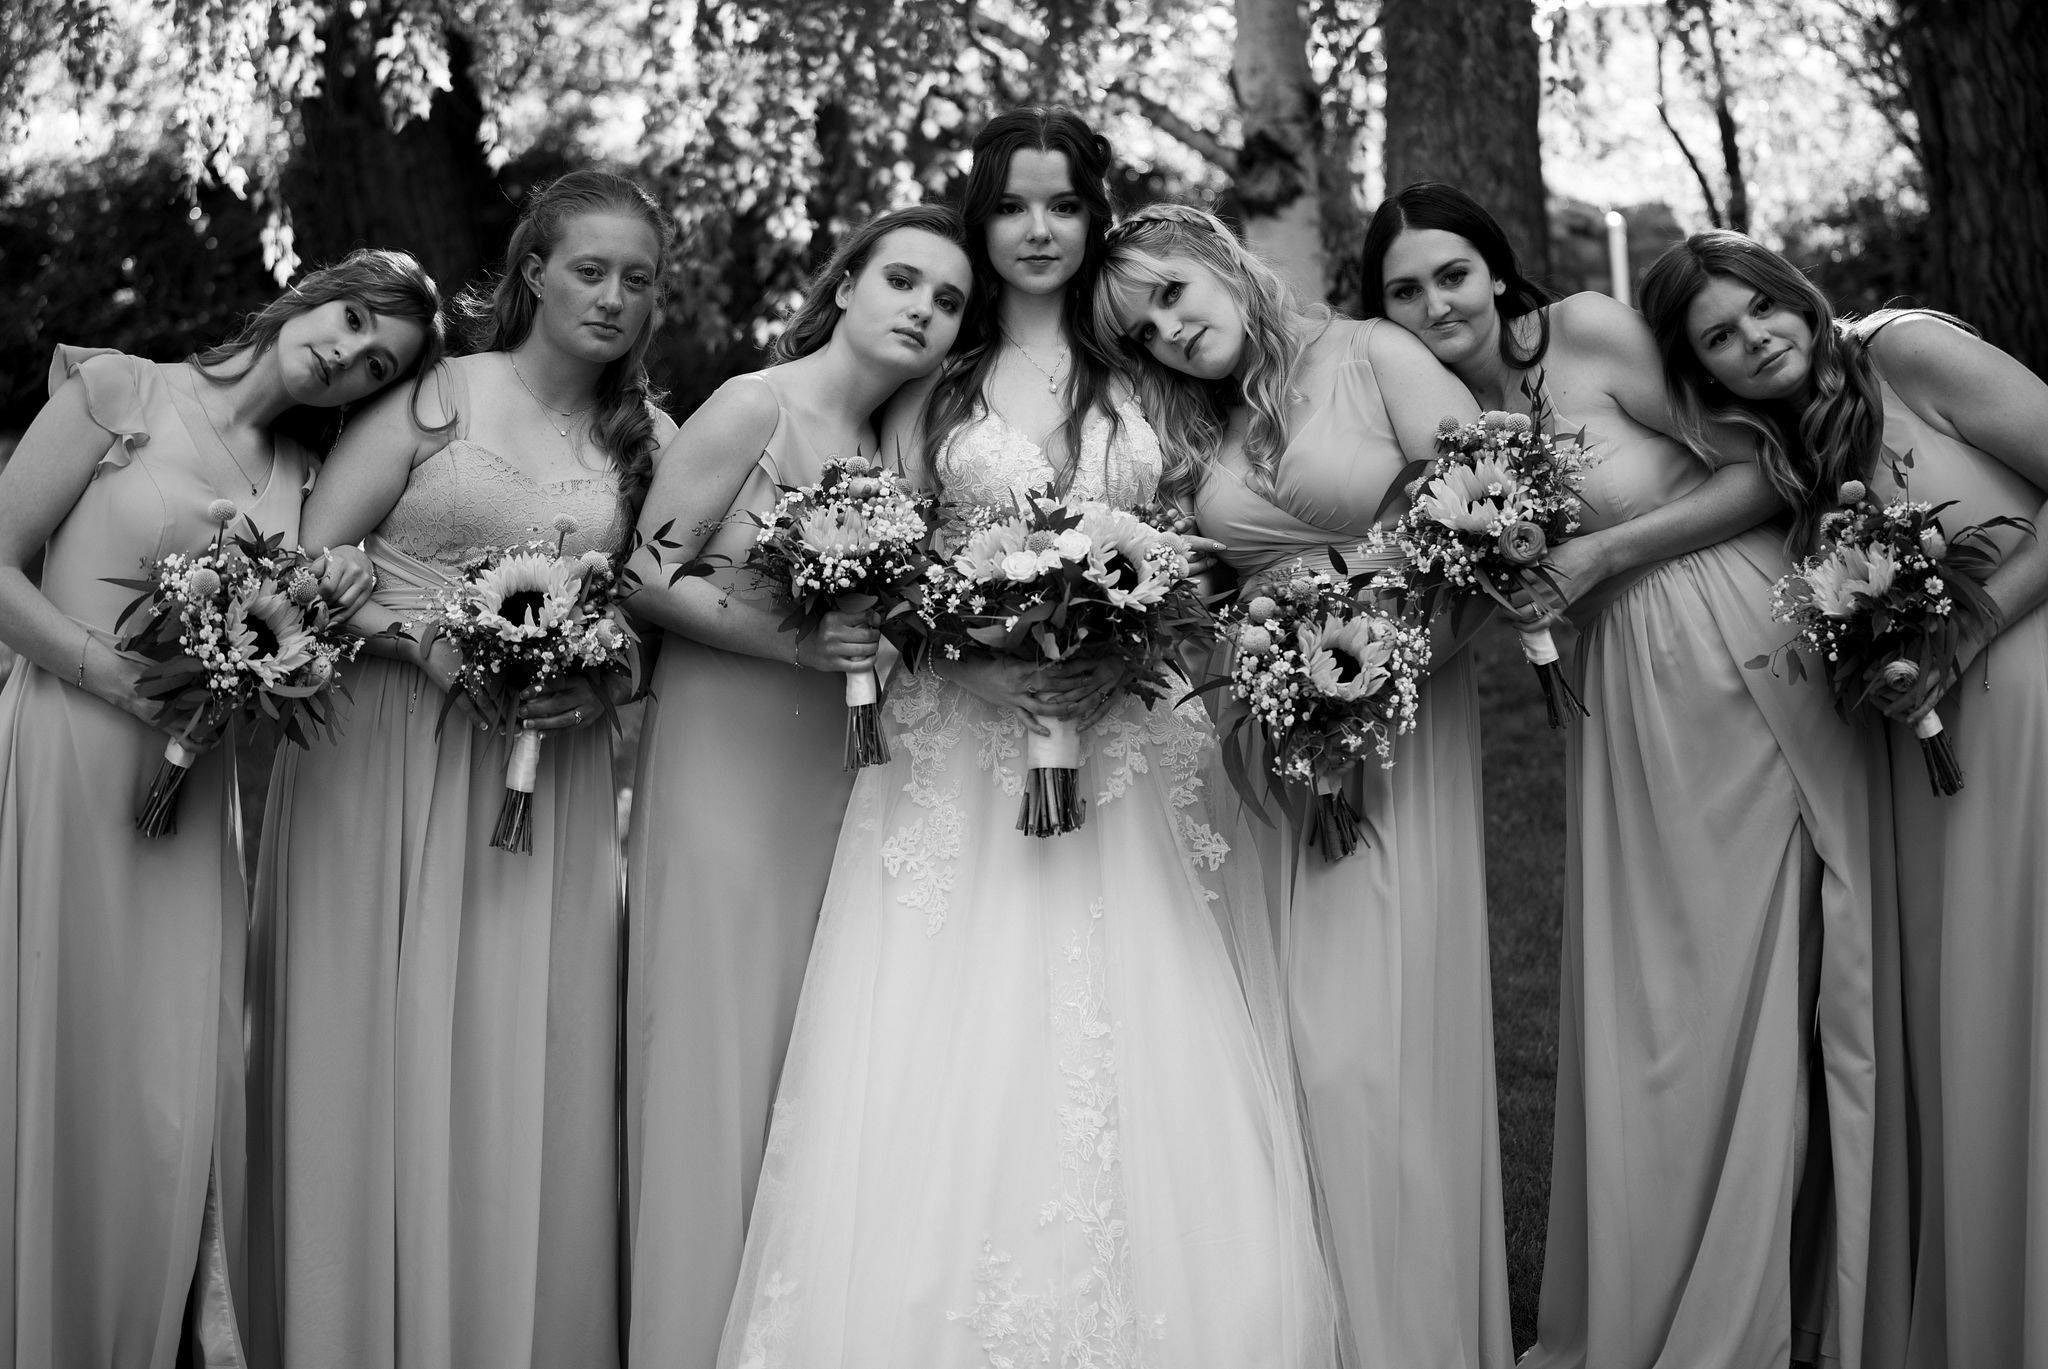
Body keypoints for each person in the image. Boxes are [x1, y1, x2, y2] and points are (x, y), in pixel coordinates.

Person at [712, 113, 1337, 1368]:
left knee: (1133, 1013)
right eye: (1011, 206)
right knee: (952, 1019)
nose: (1038, 230)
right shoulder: (935, 375)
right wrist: (979, 660)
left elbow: (1198, 547)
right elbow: (888, 561)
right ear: (980, 217)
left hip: (1124, 739)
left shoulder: (1148, 372)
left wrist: (1136, 638)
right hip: (961, 741)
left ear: (1094, 215)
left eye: (1062, 204)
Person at [1362, 186, 1889, 1369]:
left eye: (1451, 273)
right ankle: (1665, 1289)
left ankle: (1762, 1304)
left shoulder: (1589, 330)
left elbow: (1765, 468)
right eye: (1403, 290)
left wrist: (1601, 550)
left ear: (1495, 270)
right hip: (1626, 691)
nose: (1435, 303)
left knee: (1742, 967)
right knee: (1663, 992)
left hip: (1733, 645)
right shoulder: (1443, 424)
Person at [245, 170, 671, 1369]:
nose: (613, 297)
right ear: (535, 270)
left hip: (541, 767)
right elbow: (309, 566)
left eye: (638, 280)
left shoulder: (649, 441)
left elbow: (653, 623)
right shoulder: (434, 396)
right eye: (590, 270)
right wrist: (421, 644)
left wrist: (601, 677)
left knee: (516, 1054)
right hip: (381, 750)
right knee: (368, 1044)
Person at [0, 249, 439, 1369]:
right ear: (312, 296)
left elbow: (298, 640)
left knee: (162, 1087)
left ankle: (135, 1334)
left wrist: (332, 602)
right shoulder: (119, 391)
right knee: (46, 1041)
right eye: (352, 320)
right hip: (63, 752)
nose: (347, 356)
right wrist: (104, 673)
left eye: (376, 366)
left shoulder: (306, 480)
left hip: (189, 801)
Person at [1099, 200, 1510, 1367]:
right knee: (1281, 1038)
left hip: (1396, 716)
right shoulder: (1199, 426)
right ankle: (1312, 1326)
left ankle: (1412, 1333)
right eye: (1141, 331)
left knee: (1365, 1044)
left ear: (1220, 260)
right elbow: (1209, 587)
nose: (1169, 332)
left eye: (1171, 294)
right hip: (1264, 731)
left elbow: (1492, 509)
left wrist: (1379, 659)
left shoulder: (1371, 354)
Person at [1642, 228, 2048, 1369]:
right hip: (1928, 752)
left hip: (2029, 696)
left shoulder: (1909, 353)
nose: (1753, 340)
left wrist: (1965, 631)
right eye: (1718, 338)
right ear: (1701, 372)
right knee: (1977, 1008)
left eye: (1759, 308)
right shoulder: (1789, 457)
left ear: (1796, 291)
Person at [619, 202, 973, 1367]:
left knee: (801, 1050)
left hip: (833, 772)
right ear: (845, 283)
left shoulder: (898, 453)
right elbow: (644, 571)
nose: (922, 309)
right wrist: (795, 644)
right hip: (722, 757)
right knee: (710, 1041)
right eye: (903, 280)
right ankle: (682, 1332)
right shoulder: (753, 405)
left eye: (948, 301)